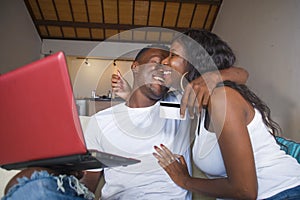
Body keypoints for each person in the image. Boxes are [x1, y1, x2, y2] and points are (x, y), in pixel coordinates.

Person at [153, 29, 300, 200]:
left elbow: (245, 191)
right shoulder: (200, 104)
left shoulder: (222, 99)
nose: (165, 61)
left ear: (195, 60)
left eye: (173, 55)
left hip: (282, 193)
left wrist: (185, 180)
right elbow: (242, 74)